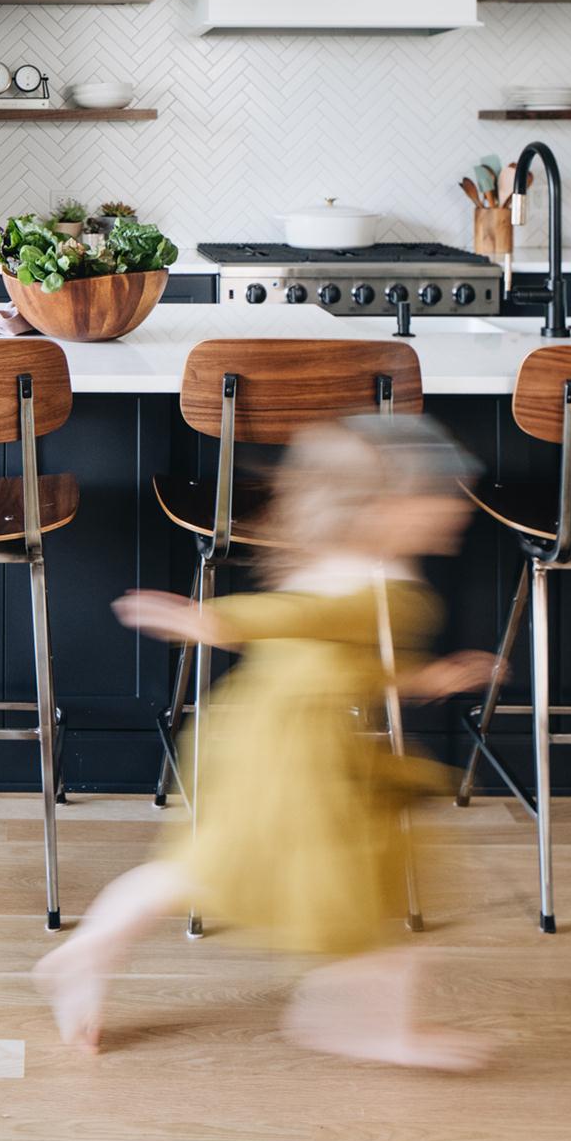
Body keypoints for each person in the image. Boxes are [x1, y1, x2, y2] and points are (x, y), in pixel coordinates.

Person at [34, 412, 499, 1069]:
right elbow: (306, 619)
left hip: (268, 731)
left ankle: (87, 953)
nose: (454, 510)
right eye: (438, 497)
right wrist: (212, 618)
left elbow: (341, 648)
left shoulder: (351, 565)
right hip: (297, 750)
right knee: (366, 881)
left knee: (208, 865)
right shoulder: (376, 586)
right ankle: (358, 1023)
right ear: (382, 509)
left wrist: (427, 675)